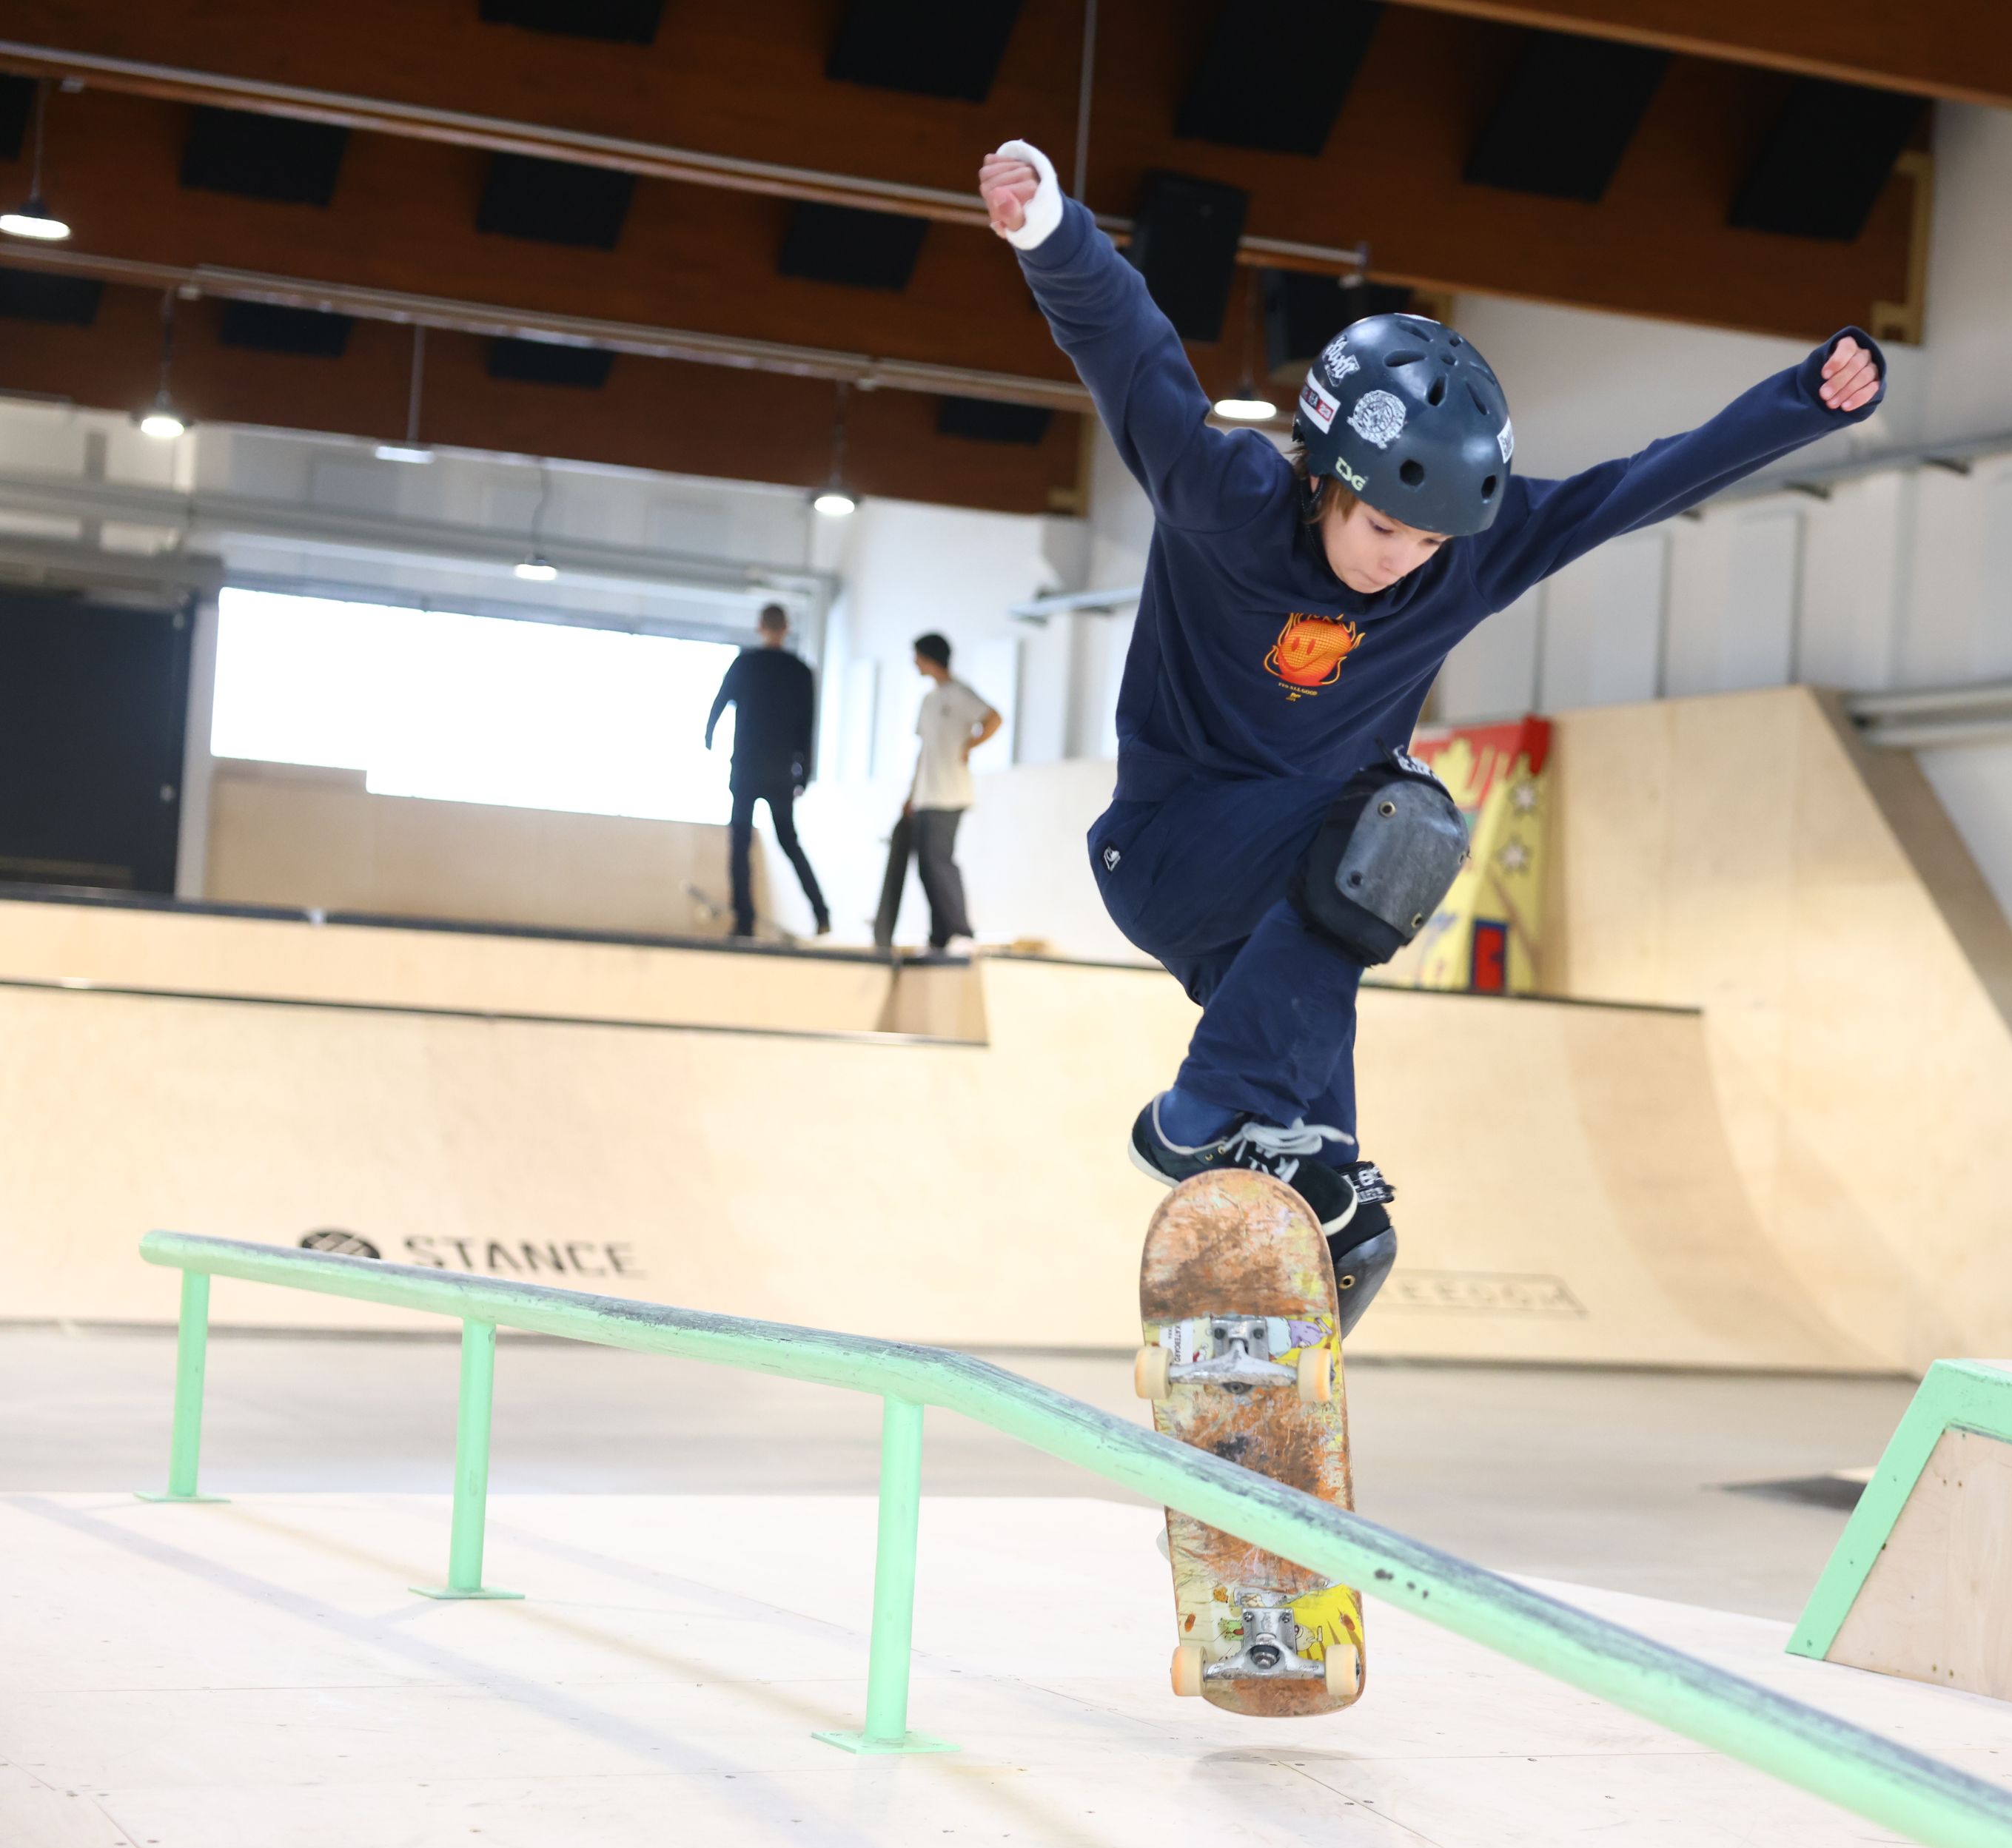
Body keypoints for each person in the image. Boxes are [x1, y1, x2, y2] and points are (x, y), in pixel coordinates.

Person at [976, 138, 1882, 1328]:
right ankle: (1194, 1119)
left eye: (1430, 543)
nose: (1402, 561)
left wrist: (1802, 402)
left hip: (1275, 908)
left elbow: (1636, 487)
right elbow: (1130, 354)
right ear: (1325, 477)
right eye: (1384, 528)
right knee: (1403, 820)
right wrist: (1053, 233)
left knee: (1346, 1219)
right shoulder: (1226, 501)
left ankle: (1253, 1357)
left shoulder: (1468, 564)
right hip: (1166, 850)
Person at [705, 603, 828, 941]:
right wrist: (804, 772)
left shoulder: (746, 664)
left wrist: (709, 736)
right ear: (786, 628)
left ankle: (744, 922)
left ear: (760, 627)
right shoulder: (799, 671)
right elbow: (808, 726)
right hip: (780, 771)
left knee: (741, 844)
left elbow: (720, 702)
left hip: (747, 768)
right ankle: (821, 913)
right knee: (789, 842)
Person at [902, 631, 1002, 956]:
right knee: (926, 866)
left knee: (940, 862)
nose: (915, 663)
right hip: (926, 795)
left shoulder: (959, 693)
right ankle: (940, 935)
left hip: (949, 794)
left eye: (917, 656)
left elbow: (994, 718)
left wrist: (970, 745)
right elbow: (923, 752)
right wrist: (911, 794)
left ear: (929, 657)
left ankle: (961, 931)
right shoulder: (928, 701)